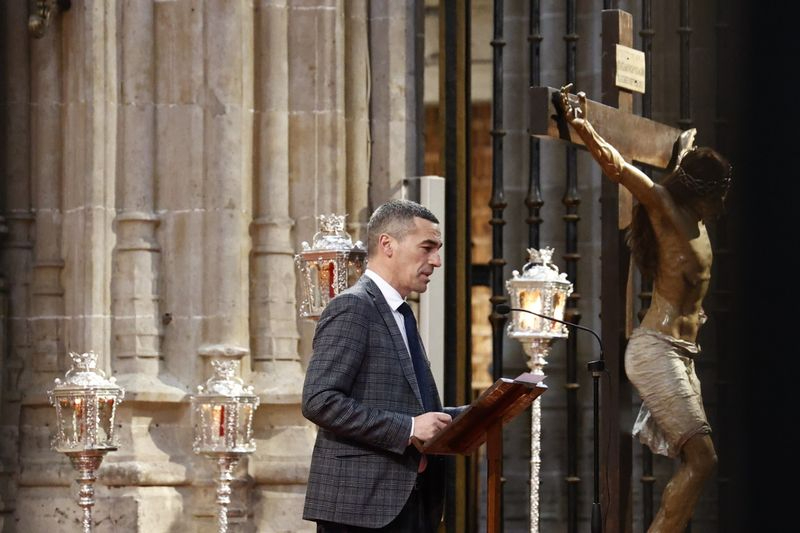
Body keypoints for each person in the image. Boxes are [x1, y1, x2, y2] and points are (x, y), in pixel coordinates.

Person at [558, 85, 732, 532]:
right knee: (703, 460)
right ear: (699, 192)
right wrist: (583, 125)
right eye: (717, 195)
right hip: (655, 349)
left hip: (683, 355)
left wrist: (683, 149)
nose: (721, 204)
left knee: (700, 463)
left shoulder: (696, 220)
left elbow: (678, 166)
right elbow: (619, 167)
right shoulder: (665, 208)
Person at [302, 199, 462, 532]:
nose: (436, 261)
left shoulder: (401, 313)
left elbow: (408, 408)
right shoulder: (353, 306)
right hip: (360, 508)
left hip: (412, 500)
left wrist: (480, 412)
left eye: (438, 250)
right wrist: (408, 428)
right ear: (387, 244)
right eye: (427, 247)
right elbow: (319, 400)